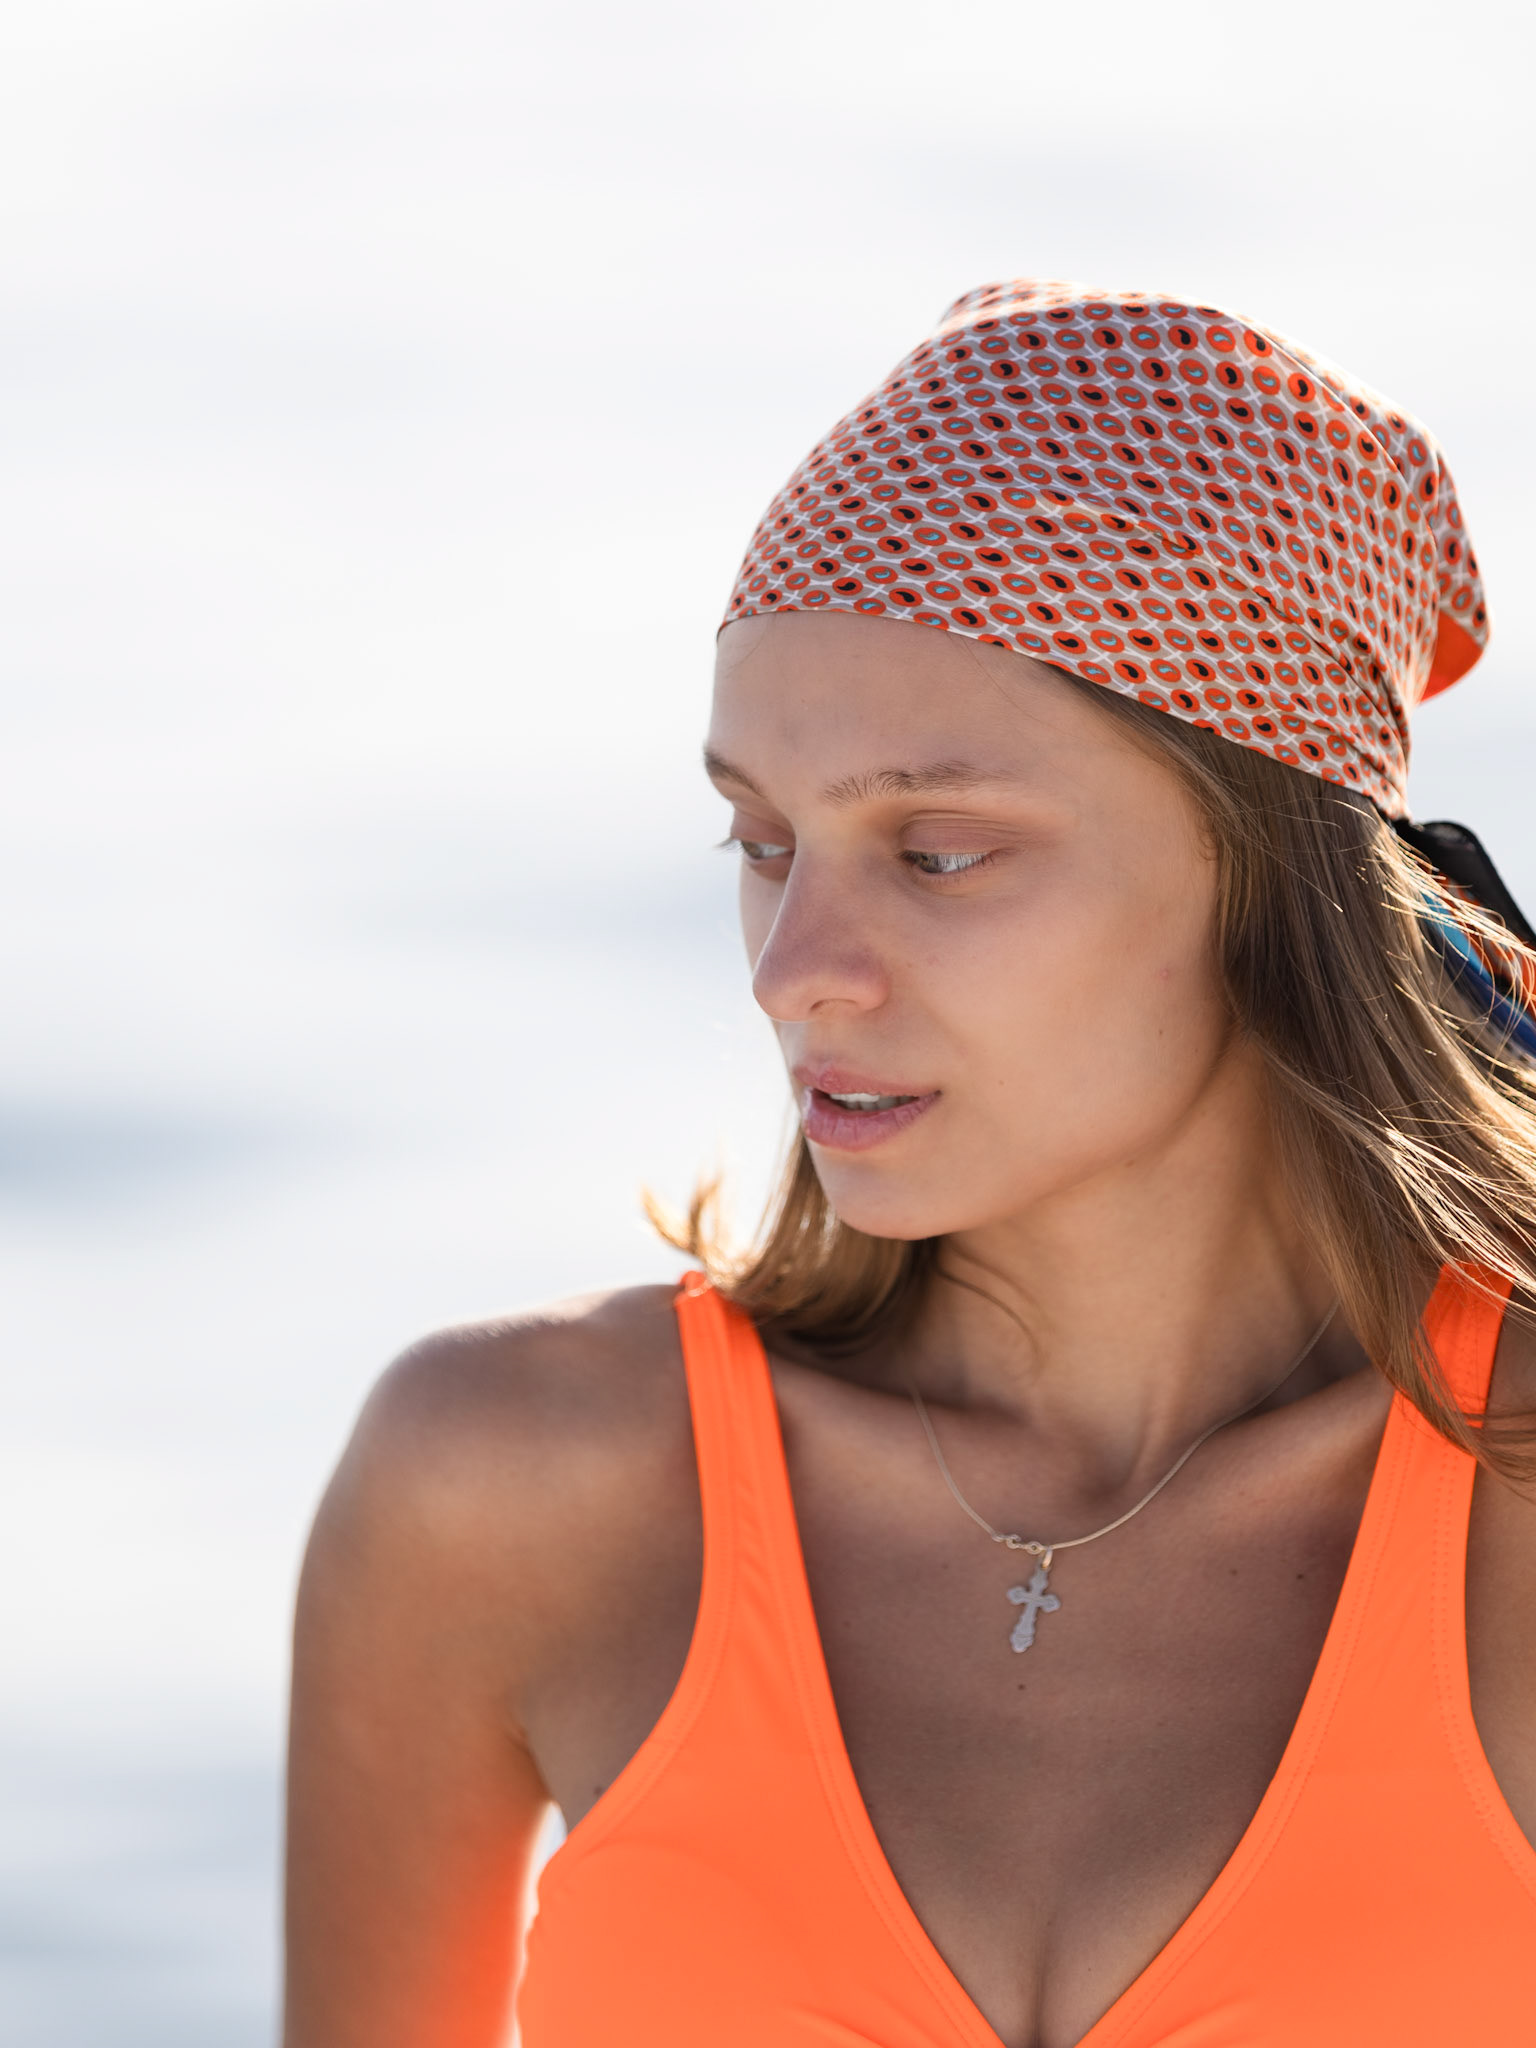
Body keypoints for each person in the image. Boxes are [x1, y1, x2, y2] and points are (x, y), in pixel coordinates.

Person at [282, 281, 1536, 2048]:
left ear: (1271, 877)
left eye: (938, 854)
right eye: (761, 841)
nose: (795, 970)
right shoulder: (511, 1488)